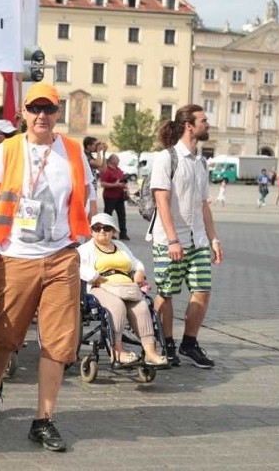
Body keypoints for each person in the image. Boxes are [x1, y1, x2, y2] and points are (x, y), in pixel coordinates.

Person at [0, 82, 91, 452]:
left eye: (49, 109)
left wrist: (72, 237)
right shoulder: (7, 150)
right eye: (35, 109)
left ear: (58, 114)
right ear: (23, 113)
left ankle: (43, 420)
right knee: (7, 336)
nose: (42, 116)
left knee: (58, 342)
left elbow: (84, 198)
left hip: (62, 255)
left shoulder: (73, 151)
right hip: (16, 257)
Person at [151, 104, 223, 369]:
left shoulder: (201, 162)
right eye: (204, 120)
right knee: (166, 292)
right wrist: (172, 239)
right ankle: (167, 343)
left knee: (202, 291)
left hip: (199, 240)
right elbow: (162, 200)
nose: (208, 124)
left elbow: (204, 204)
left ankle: (189, 343)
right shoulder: (166, 158)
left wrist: (214, 238)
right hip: (170, 239)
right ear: (189, 126)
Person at [78, 213, 168, 367]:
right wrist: (94, 277)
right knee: (116, 306)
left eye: (106, 228)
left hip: (127, 288)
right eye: (97, 228)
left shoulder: (121, 246)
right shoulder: (85, 249)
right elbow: (78, 267)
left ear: (114, 231)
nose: (102, 231)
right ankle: (117, 351)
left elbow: (136, 263)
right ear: (91, 231)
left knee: (142, 308)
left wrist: (139, 272)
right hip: (100, 287)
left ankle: (150, 353)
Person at [99, 153, 129, 240]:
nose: (119, 161)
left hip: (119, 196)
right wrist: (115, 185)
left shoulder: (118, 169)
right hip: (110, 196)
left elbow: (121, 179)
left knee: (122, 215)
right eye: (117, 159)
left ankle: (123, 233)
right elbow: (102, 183)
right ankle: (107, 233)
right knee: (108, 215)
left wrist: (124, 186)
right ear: (112, 161)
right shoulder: (106, 170)